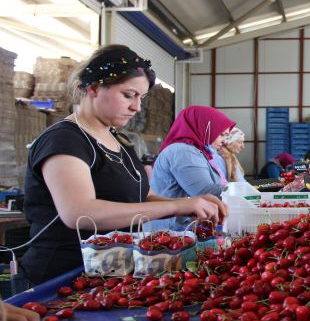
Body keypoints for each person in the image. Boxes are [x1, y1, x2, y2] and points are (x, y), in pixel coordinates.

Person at [20, 45, 226, 285]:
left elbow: (143, 196)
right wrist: (175, 206)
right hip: (61, 277)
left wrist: (191, 205)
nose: (136, 107)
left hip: (109, 271)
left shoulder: (118, 140)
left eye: (141, 98)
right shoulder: (65, 140)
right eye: (128, 95)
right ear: (94, 88)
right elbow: (80, 213)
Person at [151, 106, 235, 230]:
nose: (224, 141)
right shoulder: (183, 151)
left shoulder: (198, 152)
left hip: (183, 228)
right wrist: (243, 191)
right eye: (221, 134)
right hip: (171, 231)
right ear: (204, 127)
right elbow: (206, 192)